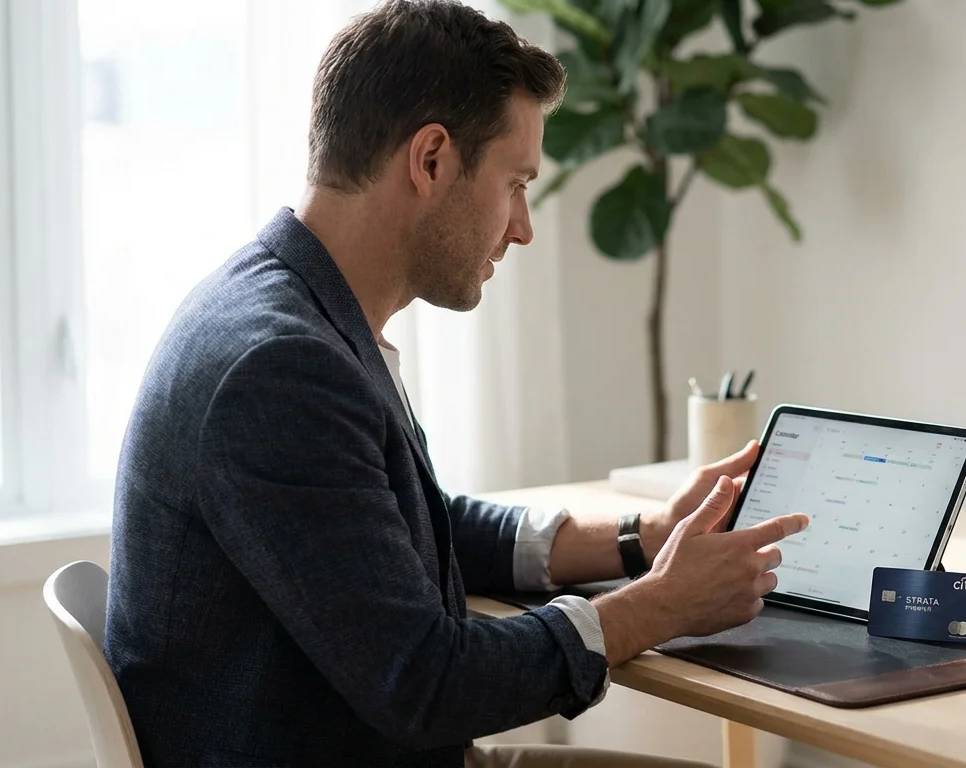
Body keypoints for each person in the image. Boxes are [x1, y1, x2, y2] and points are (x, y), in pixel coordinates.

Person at [102, 1, 809, 766]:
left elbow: (410, 527)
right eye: (515, 183)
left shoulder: (282, 308)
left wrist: (643, 541)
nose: (522, 226)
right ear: (431, 160)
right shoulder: (280, 368)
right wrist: (659, 605)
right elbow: (426, 683)